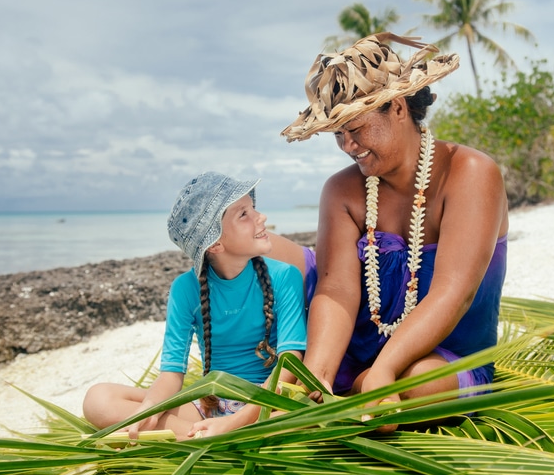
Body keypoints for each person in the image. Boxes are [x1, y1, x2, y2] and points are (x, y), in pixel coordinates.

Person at [277, 32, 509, 418]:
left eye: (356, 128)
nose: (348, 146)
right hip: (356, 354)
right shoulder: (342, 190)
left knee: (416, 386)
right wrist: (317, 374)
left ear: (397, 108)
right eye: (338, 134)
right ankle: (349, 385)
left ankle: (367, 386)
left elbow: (454, 292)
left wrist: (383, 372)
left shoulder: (470, 173)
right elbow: (336, 289)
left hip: (442, 363)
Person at [82, 171, 307, 439]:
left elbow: (289, 362)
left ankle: (212, 435)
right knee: (98, 399)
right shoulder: (185, 289)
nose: (262, 217)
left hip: (267, 403)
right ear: (216, 244)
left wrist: (235, 421)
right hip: (211, 403)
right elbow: (171, 374)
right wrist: (150, 409)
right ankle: (212, 435)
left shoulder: (285, 276)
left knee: (300, 420)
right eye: (243, 214)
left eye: (253, 208)